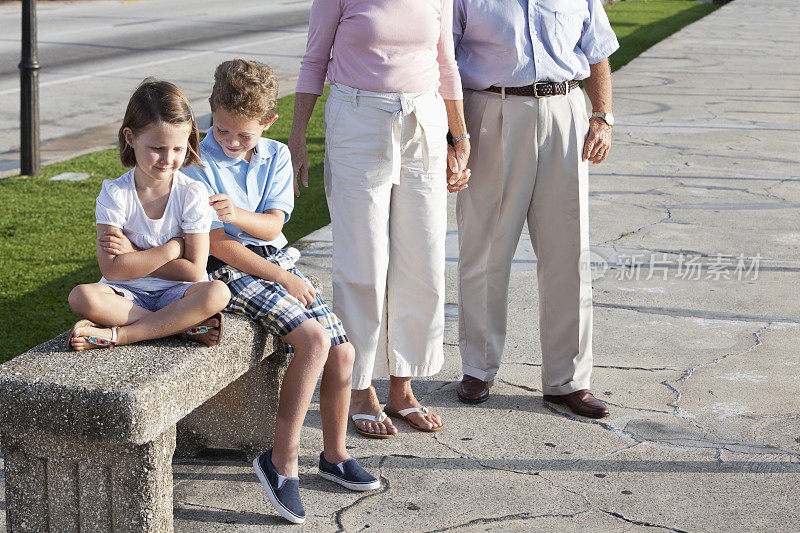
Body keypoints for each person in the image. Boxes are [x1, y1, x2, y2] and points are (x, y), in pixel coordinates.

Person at [183, 59, 379, 525]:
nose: (231, 142)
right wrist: (281, 276)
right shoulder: (196, 163)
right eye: (223, 129)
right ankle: (281, 460)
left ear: (269, 122)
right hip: (230, 269)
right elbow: (216, 244)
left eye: (243, 135)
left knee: (343, 353)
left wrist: (235, 214)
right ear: (211, 109)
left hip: (274, 263)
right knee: (312, 341)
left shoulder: (274, 157)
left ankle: (333, 455)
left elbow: (272, 225)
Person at [288, 0, 470, 440]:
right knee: (363, 265)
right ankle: (360, 388)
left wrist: (459, 136)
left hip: (423, 123)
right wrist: (297, 140)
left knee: (422, 260)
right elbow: (314, 60)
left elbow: (446, 61)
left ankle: (403, 387)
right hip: (357, 123)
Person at [451, 0, 619, 418]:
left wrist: (602, 116)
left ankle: (569, 380)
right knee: (485, 248)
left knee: (569, 253)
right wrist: (453, 135)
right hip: (491, 111)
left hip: (566, 113)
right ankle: (478, 367)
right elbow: (443, 60)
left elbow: (597, 51)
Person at [67, 79, 230, 351]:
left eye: (178, 149)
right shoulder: (115, 193)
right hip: (126, 295)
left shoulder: (192, 193)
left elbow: (193, 271)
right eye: (157, 148)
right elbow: (111, 269)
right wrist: (172, 249)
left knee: (218, 292)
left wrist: (132, 252)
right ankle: (178, 327)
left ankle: (121, 335)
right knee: (81, 296)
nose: (168, 159)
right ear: (130, 138)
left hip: (179, 293)